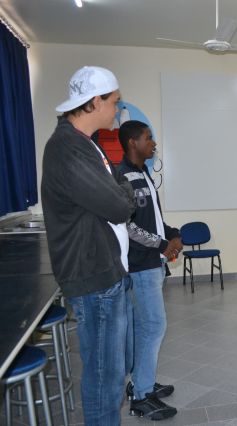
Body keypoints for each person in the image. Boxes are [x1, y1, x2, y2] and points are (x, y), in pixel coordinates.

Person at [41, 65, 135, 425]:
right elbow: (119, 205)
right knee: (103, 377)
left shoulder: (85, 144)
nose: (118, 108)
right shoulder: (68, 148)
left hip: (105, 272)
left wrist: (120, 190)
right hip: (94, 277)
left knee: (111, 373)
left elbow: (116, 193)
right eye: (114, 102)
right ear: (95, 101)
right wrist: (123, 191)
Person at [117, 120, 182, 420]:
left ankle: (142, 381)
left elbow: (152, 219)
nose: (153, 142)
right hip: (139, 265)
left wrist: (173, 234)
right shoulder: (121, 177)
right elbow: (128, 226)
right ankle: (142, 396)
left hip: (152, 262)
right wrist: (162, 244)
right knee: (153, 326)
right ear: (133, 142)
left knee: (146, 327)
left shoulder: (143, 172)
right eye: (148, 137)